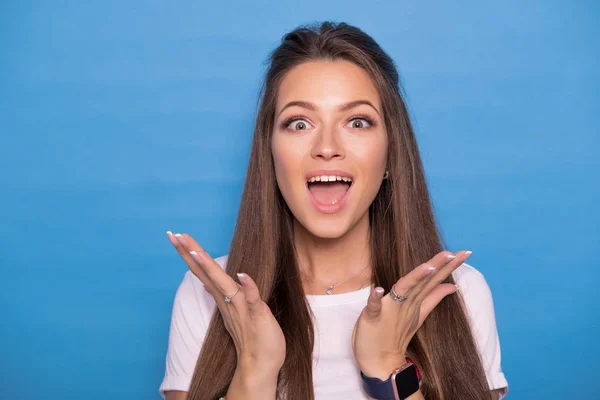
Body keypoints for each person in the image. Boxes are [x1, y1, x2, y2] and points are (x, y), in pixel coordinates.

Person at [159, 21, 509, 400]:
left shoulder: (455, 292)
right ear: (270, 156)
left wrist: (389, 367)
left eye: (357, 122)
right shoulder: (210, 295)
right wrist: (256, 369)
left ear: (391, 154)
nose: (327, 146)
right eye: (299, 123)